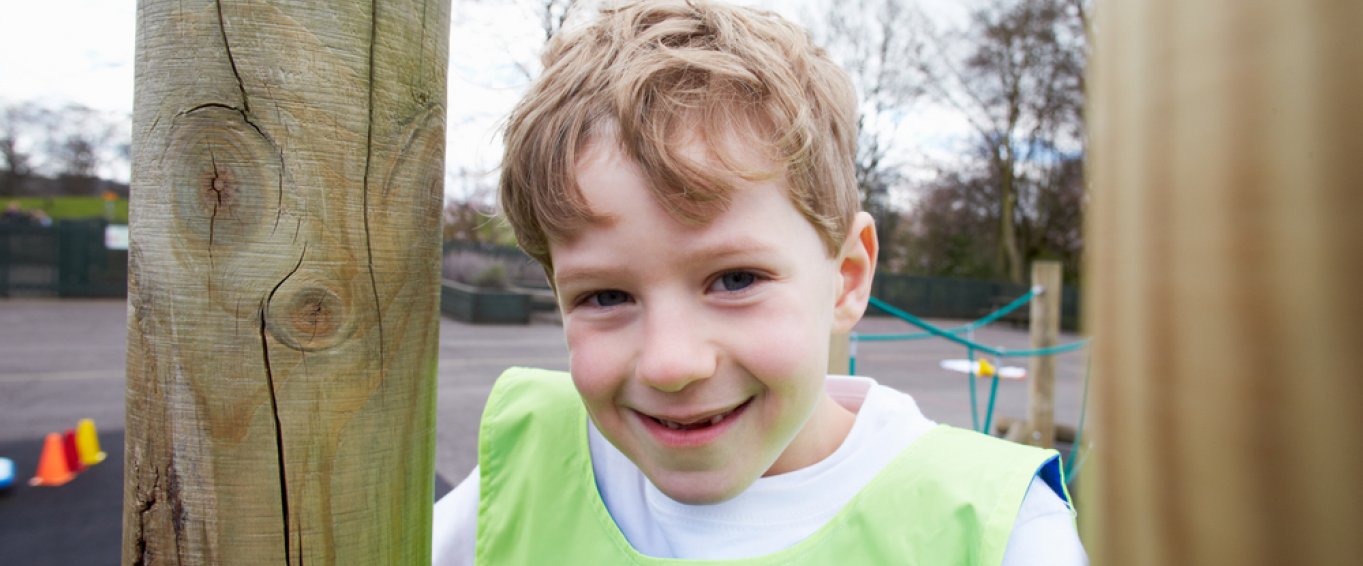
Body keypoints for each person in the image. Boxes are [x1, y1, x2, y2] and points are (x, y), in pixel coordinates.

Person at [432, 1, 1086, 564]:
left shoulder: (999, 531)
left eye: (734, 279)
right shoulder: (519, 465)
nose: (670, 364)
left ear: (846, 277)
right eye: (605, 296)